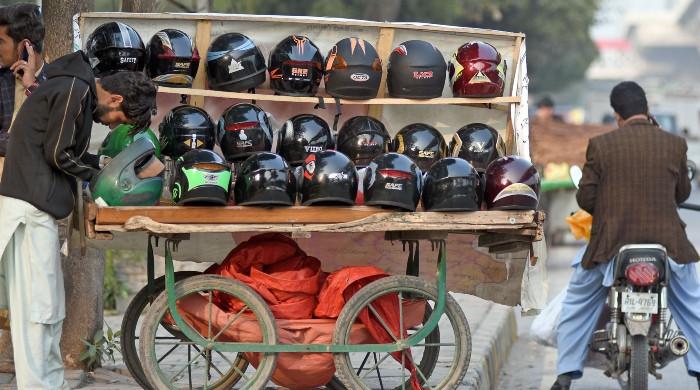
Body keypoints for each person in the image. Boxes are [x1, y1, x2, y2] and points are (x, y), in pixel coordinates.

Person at [0, 47, 156, 388]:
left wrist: (100, 163)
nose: (112, 124)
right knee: (38, 311)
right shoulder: (75, 89)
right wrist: (103, 176)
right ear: (114, 99)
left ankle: (49, 383)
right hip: (29, 208)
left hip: (36, 204)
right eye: (120, 119)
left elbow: (62, 147)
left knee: (49, 308)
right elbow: (58, 154)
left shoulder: (75, 89)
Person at [551, 81, 700, 389]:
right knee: (692, 304)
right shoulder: (674, 144)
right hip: (668, 247)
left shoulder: (601, 145)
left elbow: (585, 200)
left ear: (617, 114)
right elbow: (682, 193)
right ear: (647, 110)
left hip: (612, 246)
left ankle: (565, 375)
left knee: (578, 300)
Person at [0, 3, 47, 179]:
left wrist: (32, 86)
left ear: (24, 46)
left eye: (0, 41)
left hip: (38, 188)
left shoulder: (57, 82)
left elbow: (52, 137)